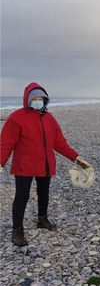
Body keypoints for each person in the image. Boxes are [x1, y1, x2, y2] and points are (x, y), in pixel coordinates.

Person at [0, 82, 86, 247]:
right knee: (21, 197)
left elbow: (59, 143)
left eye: (41, 99)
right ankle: (17, 230)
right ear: (28, 100)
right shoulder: (16, 118)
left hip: (45, 164)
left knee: (44, 192)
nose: (38, 101)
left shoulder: (49, 118)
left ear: (45, 101)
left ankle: (42, 219)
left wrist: (76, 158)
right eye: (35, 99)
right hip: (24, 165)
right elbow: (6, 143)